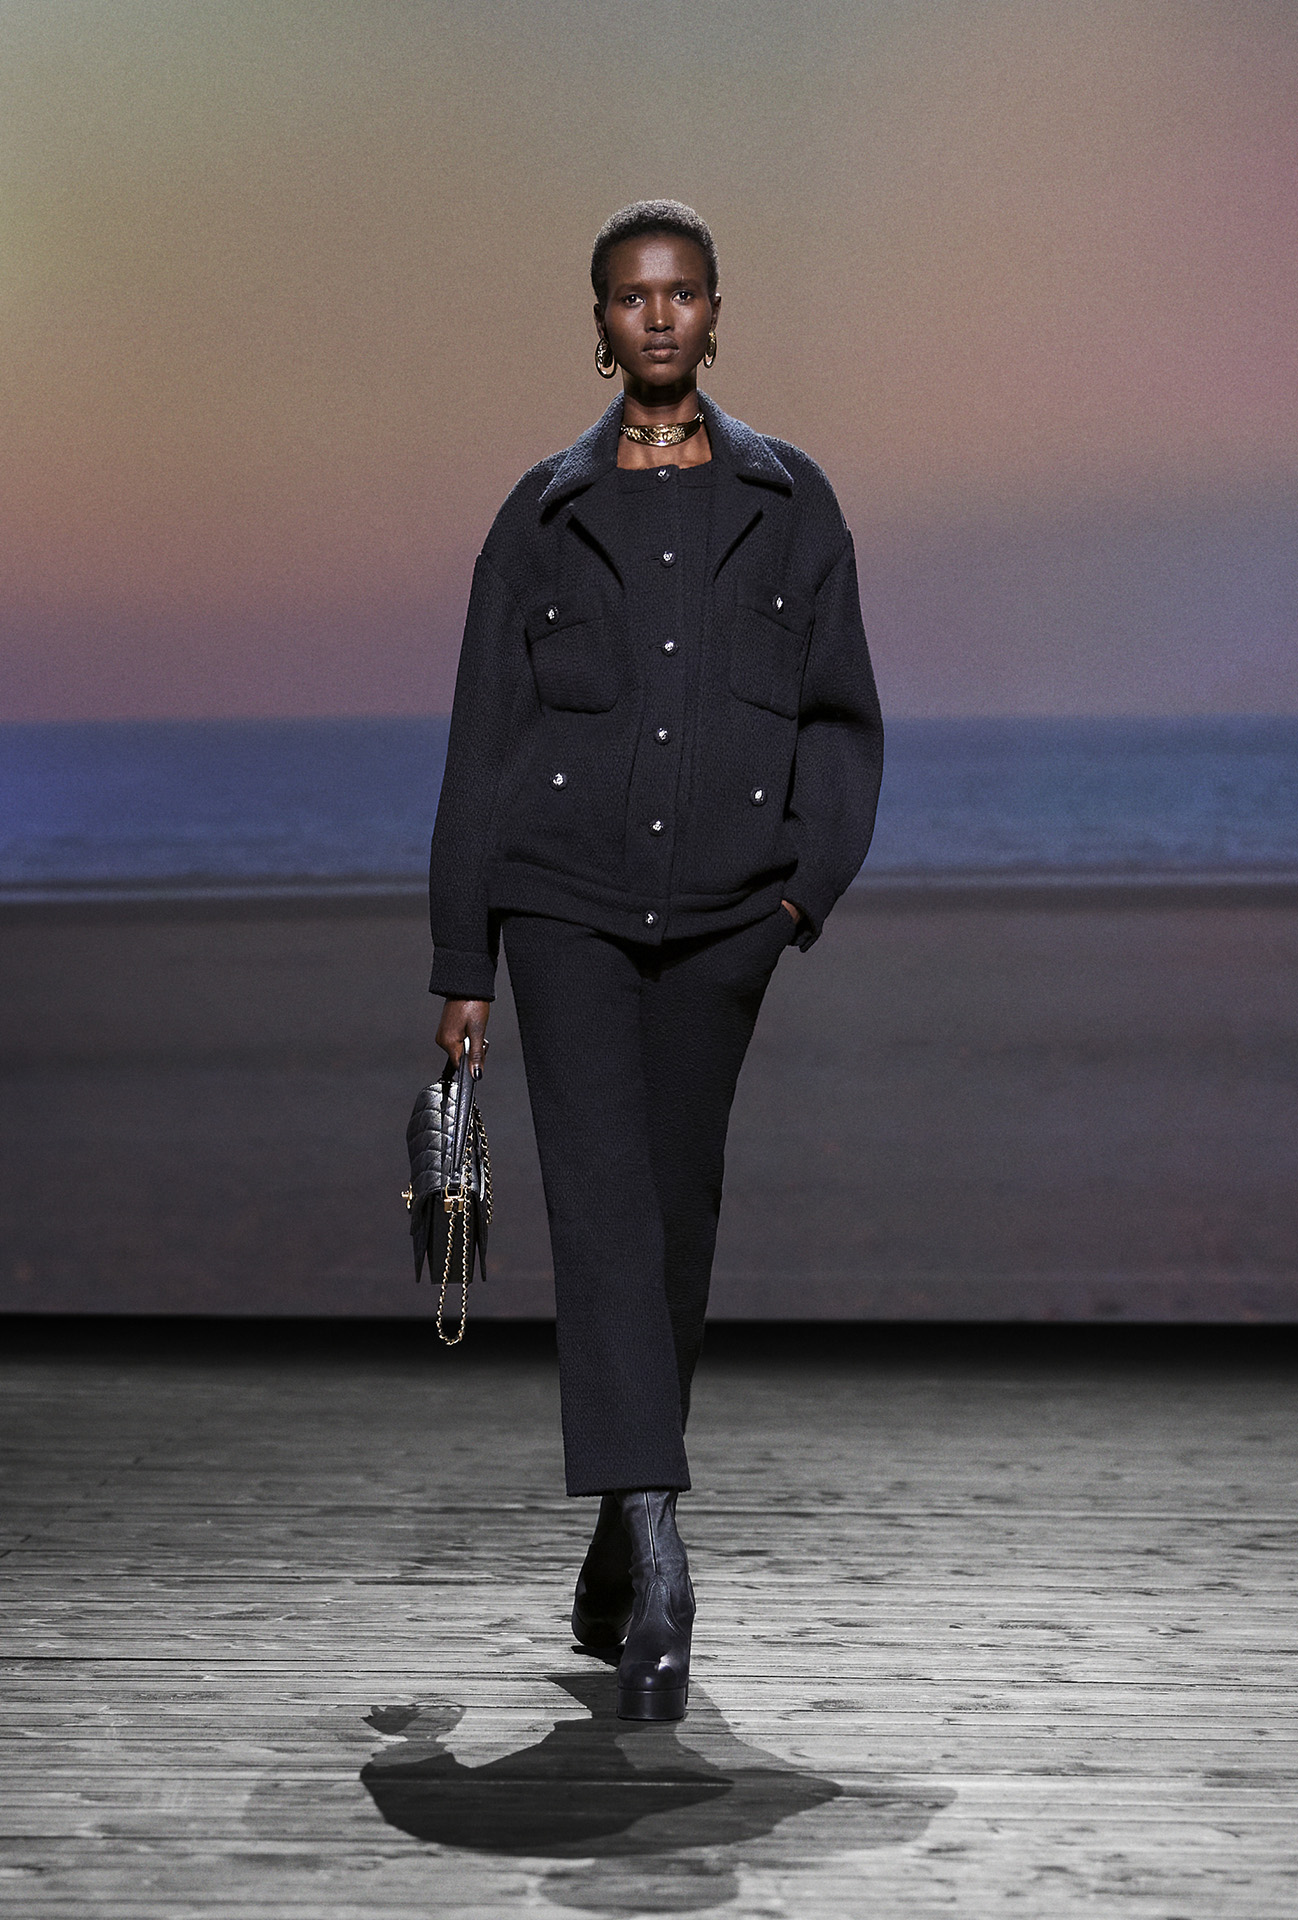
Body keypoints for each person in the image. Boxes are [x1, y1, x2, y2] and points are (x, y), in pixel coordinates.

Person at [428, 200, 883, 1721]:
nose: (661, 316)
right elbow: (483, 743)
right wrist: (463, 958)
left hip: (725, 925)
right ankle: (668, 1560)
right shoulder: (541, 516)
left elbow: (842, 718)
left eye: (683, 292)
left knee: (675, 1226)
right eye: (634, 297)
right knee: (607, 1216)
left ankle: (617, 1546)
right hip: (563, 910)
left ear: (716, 312)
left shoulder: (790, 503)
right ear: (602, 324)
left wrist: (799, 896)